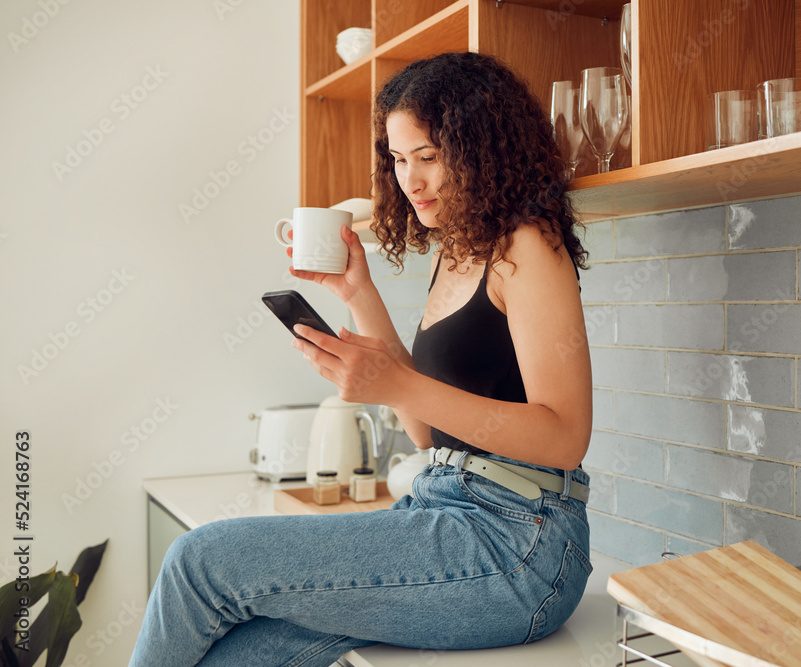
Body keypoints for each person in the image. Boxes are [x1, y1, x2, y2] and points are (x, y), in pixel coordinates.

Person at [129, 51, 593, 667]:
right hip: (444, 507)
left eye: (428, 156)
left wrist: (394, 380)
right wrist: (358, 295)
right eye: (399, 160)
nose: (411, 180)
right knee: (237, 655)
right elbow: (432, 433)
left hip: (519, 544)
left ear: (483, 145)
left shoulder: (528, 245)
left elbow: (565, 437)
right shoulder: (456, 252)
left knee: (199, 560)